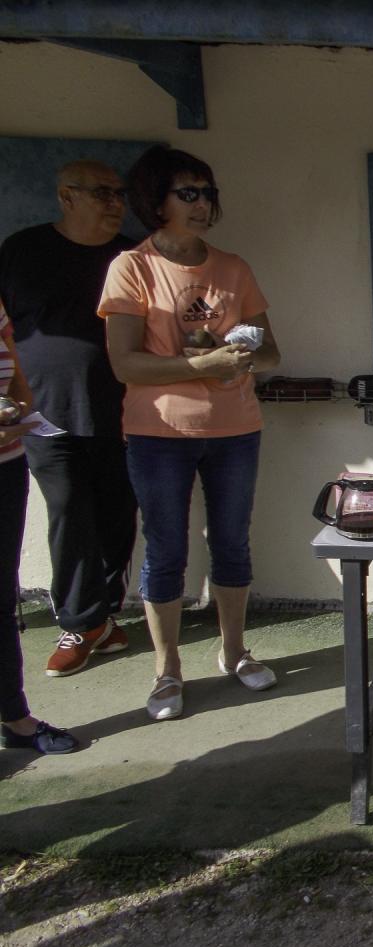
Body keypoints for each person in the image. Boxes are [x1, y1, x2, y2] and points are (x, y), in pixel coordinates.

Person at [100, 146, 281, 721]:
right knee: (166, 550)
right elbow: (125, 364)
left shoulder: (233, 268)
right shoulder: (132, 267)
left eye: (207, 193)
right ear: (157, 201)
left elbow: (272, 351)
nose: (203, 204)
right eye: (189, 193)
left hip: (235, 428)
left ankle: (234, 653)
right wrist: (200, 367)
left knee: (231, 542)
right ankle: (167, 671)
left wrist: (245, 356)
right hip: (158, 432)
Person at [0, 160, 137, 678]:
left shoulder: (128, 256)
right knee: (68, 512)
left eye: (119, 193)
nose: (114, 202)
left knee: (116, 515)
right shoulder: (22, 250)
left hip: (119, 410)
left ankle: (103, 615)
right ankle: (78, 623)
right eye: (102, 192)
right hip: (42, 414)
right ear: (66, 197)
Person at [0, 306, 78, 754]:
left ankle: (15, 719)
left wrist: (17, 411)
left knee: (0, 602)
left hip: (5, 468)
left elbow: (18, 387)